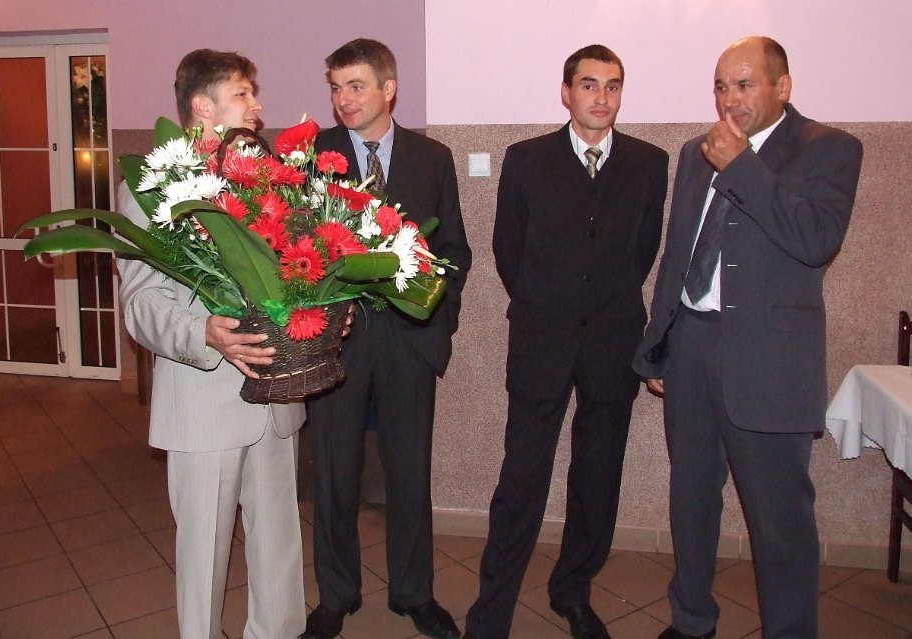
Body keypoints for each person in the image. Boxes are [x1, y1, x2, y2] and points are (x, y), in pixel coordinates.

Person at [632, 36, 863, 639]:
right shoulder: (695, 152)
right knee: (691, 502)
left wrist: (741, 166)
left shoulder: (830, 149)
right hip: (691, 348)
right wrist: (659, 343)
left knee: (780, 521)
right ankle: (691, 620)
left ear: (782, 87)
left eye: (744, 84)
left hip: (769, 361)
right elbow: (680, 251)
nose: (729, 99)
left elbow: (815, 240)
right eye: (720, 86)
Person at [464, 45, 668, 639]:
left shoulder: (649, 163)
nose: (601, 97)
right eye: (589, 84)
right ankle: (491, 611)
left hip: (612, 343)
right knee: (521, 480)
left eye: (613, 85)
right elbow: (508, 248)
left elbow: (642, 252)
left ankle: (572, 591)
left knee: (597, 480)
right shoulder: (527, 160)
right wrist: (547, 305)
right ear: (566, 92)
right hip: (541, 342)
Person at [117, 49, 306, 639]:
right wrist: (201, 332)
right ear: (202, 106)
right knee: (204, 555)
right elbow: (139, 302)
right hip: (202, 400)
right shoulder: (153, 189)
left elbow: (295, 274)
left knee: (278, 547)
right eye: (243, 94)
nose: (257, 107)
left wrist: (320, 312)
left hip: (275, 396)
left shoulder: (265, 179)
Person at [300, 38, 471, 639]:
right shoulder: (313, 156)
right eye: (336, 87)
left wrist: (436, 320)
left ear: (388, 88)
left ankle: (414, 593)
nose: (344, 99)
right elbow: (292, 246)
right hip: (337, 341)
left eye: (356, 86)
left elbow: (454, 249)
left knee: (409, 474)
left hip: (407, 342)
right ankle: (336, 597)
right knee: (334, 475)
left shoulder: (432, 158)